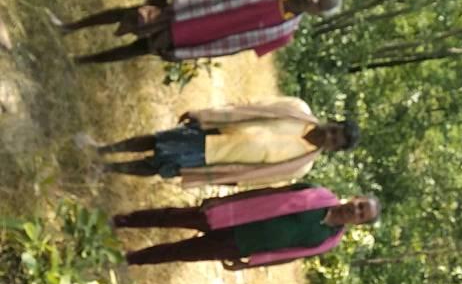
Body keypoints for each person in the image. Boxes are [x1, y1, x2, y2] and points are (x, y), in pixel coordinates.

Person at [48, 0, 343, 66]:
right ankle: (69, 27)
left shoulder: (284, 34)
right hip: (189, 5)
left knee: (138, 49)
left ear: (318, 14)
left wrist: (188, 55)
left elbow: (236, 48)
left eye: (320, 3)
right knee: (129, 14)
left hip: (196, 37)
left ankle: (82, 61)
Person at [93, 97, 361, 185]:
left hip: (215, 160)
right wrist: (206, 114)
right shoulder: (297, 109)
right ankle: (103, 150)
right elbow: (251, 106)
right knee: (157, 141)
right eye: (334, 130)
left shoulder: (301, 166)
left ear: (333, 149)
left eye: (335, 141)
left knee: (158, 167)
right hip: (215, 131)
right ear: (332, 122)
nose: (329, 136)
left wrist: (222, 179)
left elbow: (257, 178)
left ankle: (106, 169)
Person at [114, 183, 380, 268]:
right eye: (359, 205)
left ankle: (131, 259)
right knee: (172, 217)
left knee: (181, 252)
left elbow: (287, 256)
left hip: (239, 245)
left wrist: (249, 264)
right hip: (232, 216)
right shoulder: (317, 194)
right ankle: (123, 221)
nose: (355, 211)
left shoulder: (328, 241)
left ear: (359, 224)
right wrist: (224, 200)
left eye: (361, 214)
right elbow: (267, 193)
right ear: (355, 198)